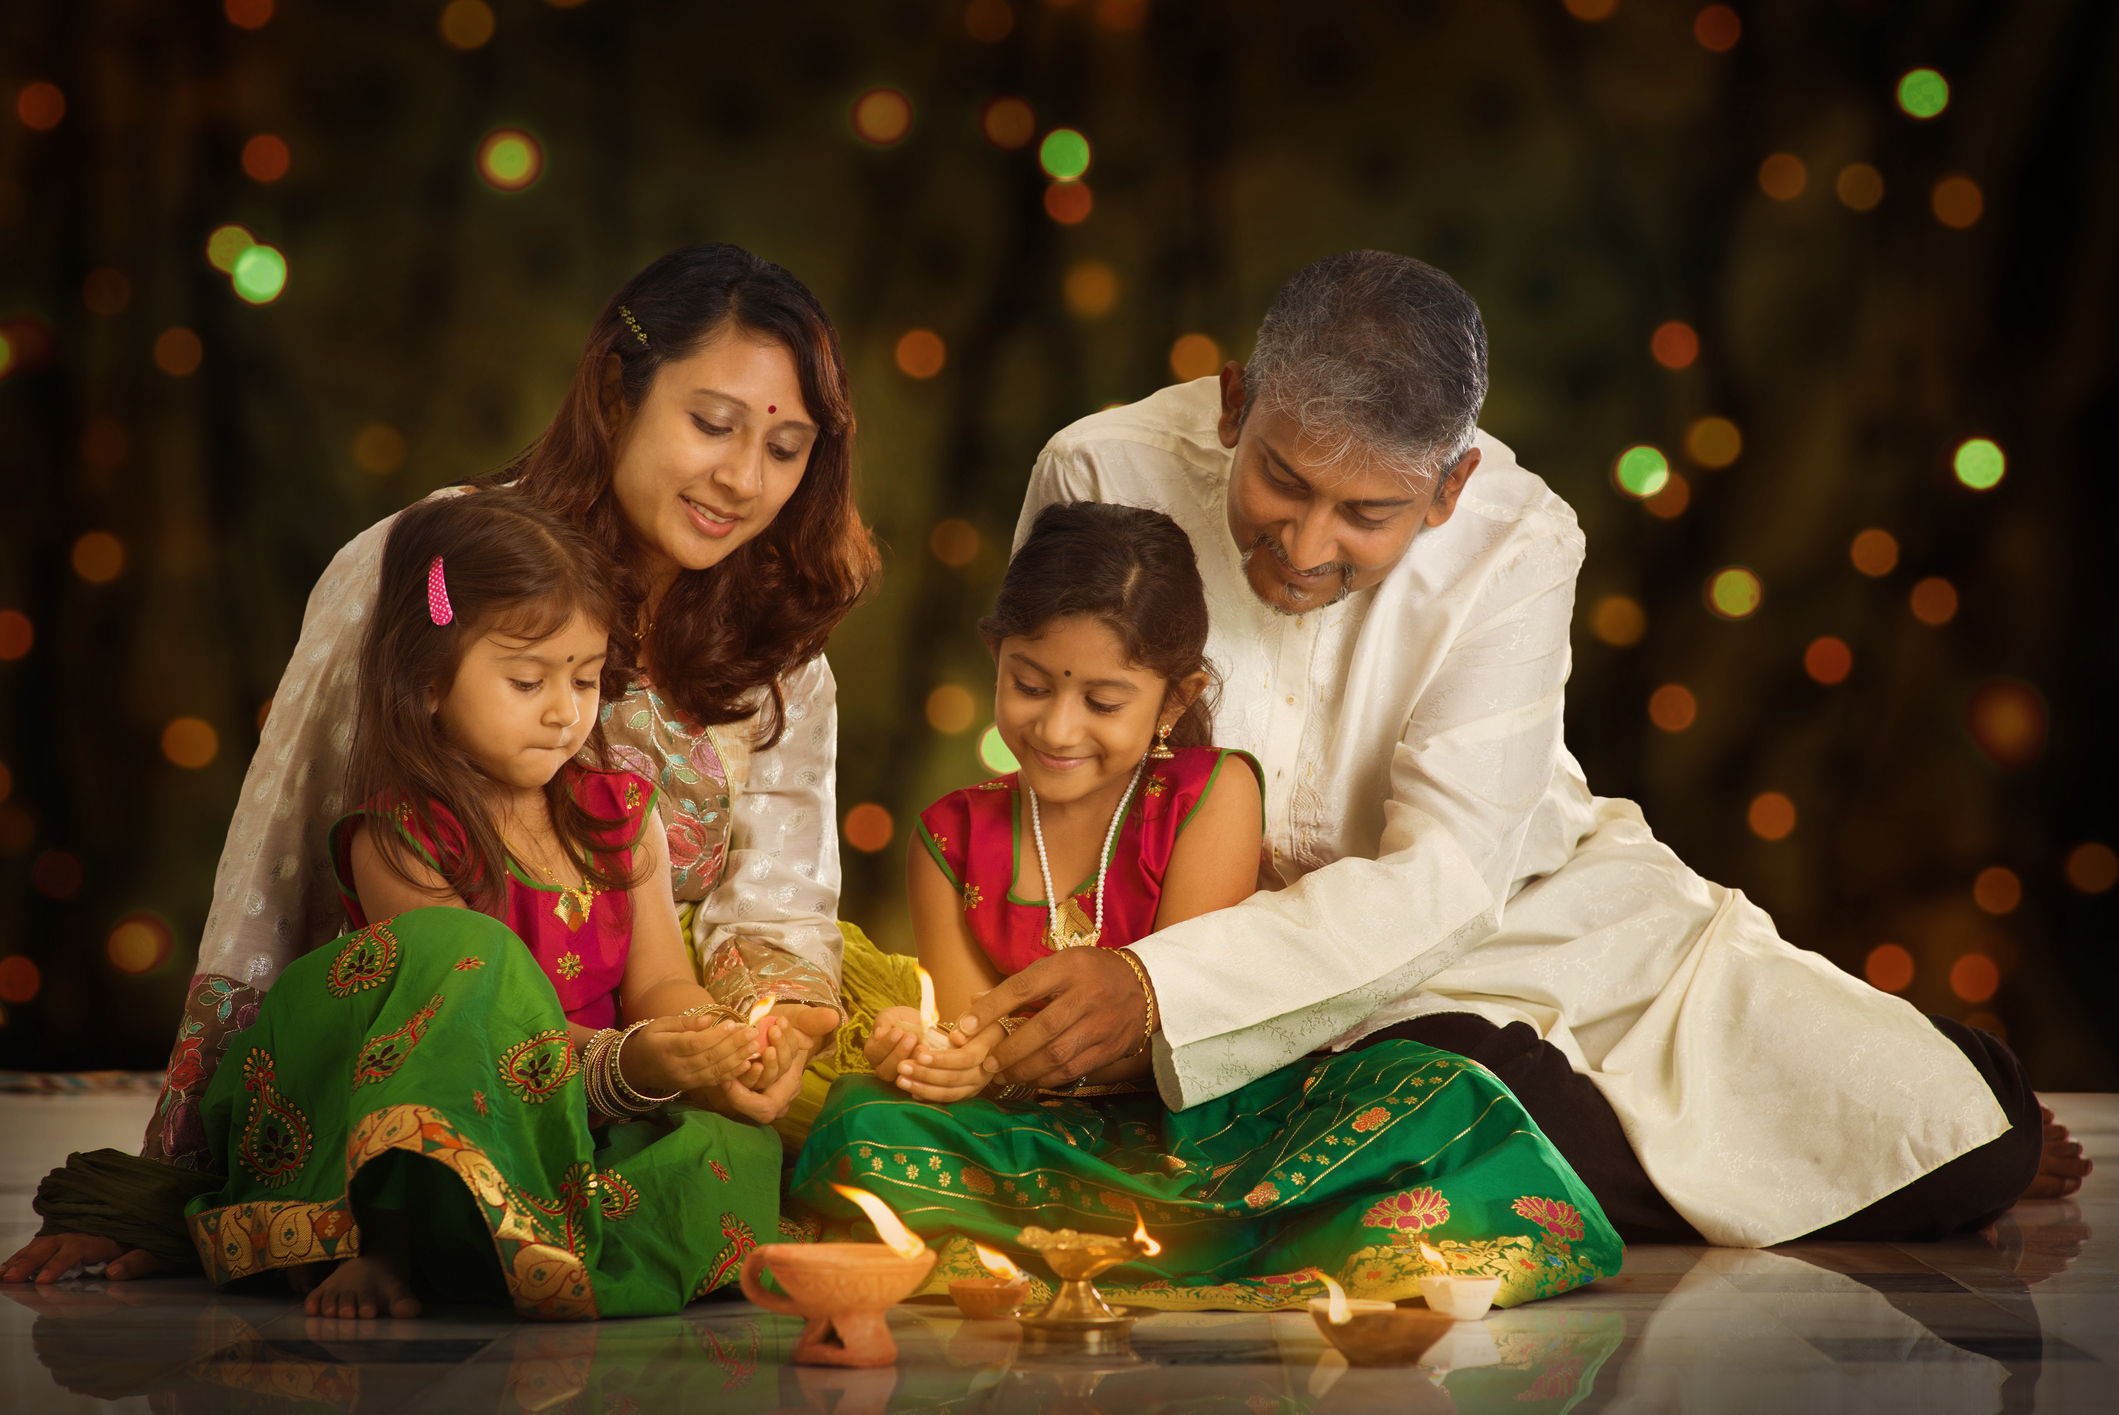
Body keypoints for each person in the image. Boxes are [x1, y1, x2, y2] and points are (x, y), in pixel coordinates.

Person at [949, 250, 2080, 1248]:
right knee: (1442, 1093)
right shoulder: (1100, 472)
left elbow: (1446, 875)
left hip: (1513, 920)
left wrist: (1162, 990)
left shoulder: (1521, 539)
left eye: (1366, 514)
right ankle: (1479, 1110)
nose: (1303, 544)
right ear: (1236, 404)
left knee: (1968, 1147)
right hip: (1203, 942)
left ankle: (1495, 1117)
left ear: (1449, 489)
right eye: (1282, 481)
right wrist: (1135, 974)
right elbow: (1070, 762)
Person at [5, 244, 881, 1287]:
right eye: (713, 424)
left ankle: (536, 1244)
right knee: (470, 969)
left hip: (630, 1046)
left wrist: (758, 1040)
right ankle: (418, 1218)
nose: (744, 479)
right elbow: (272, 881)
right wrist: (170, 1181)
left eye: (784, 447)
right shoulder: (425, 565)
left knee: (869, 1095)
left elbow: (775, 901)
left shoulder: (779, 643)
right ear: (616, 390)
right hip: (415, 1037)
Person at [790, 502, 1621, 1310]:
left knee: (1444, 1092)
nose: (1056, 727)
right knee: (862, 1120)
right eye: (1029, 684)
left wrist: (997, 1050)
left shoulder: (1209, 792)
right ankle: (1201, 1242)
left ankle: (1078, 1244)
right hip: (1032, 1137)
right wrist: (932, 1053)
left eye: (1102, 701)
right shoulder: (949, 834)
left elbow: (1182, 1015)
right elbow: (972, 1031)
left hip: (1207, 1126)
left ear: (1174, 698)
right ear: (995, 657)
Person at [209, 489, 789, 1317]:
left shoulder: (622, 815)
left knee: (735, 1144)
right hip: (459, 1116)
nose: (563, 711)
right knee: (468, 960)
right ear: (428, 681)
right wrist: (629, 1066)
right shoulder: (402, 836)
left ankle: (531, 1251)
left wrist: (709, 1041)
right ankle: (394, 1248)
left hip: (584, 1110)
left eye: (584, 678)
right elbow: (469, 1029)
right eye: (526, 680)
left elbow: (660, 982)